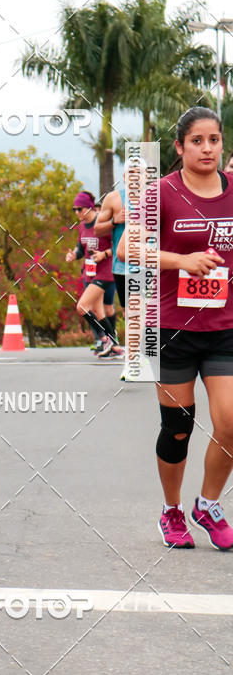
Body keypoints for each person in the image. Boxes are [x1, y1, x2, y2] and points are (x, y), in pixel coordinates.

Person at [118, 107, 233, 551]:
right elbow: (128, 249)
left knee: (230, 422)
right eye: (197, 141)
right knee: (178, 427)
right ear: (180, 147)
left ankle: (208, 504)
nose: (207, 148)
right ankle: (172, 510)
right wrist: (182, 260)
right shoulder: (160, 193)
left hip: (224, 328)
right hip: (171, 329)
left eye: (214, 140)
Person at [95, 159, 147, 377]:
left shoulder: (155, 198)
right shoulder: (114, 199)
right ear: (124, 177)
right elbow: (97, 229)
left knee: (138, 310)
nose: (135, 177)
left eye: (140, 172)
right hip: (122, 266)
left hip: (147, 263)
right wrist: (115, 221)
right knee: (130, 312)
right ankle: (137, 355)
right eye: (131, 173)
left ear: (146, 176)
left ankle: (134, 360)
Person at [65, 190, 123, 358]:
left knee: (82, 307)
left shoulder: (101, 223)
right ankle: (115, 346)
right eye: (74, 209)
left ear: (89, 207)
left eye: (80, 209)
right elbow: (81, 248)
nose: (77, 212)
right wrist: (73, 255)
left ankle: (105, 339)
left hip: (105, 272)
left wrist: (104, 254)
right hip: (90, 272)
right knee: (98, 312)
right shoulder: (82, 226)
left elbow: (119, 245)